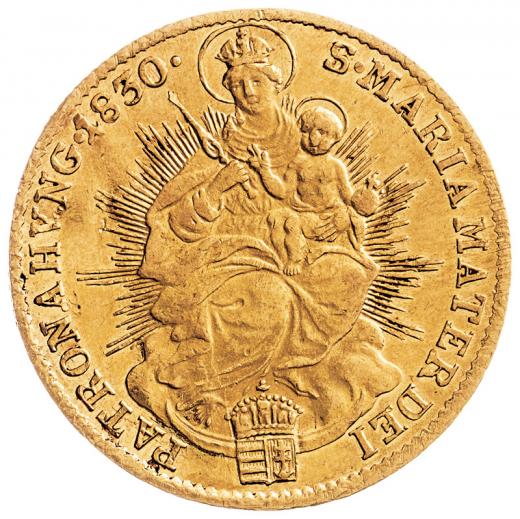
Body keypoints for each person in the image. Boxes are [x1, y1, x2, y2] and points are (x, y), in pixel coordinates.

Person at [248, 106, 380, 275]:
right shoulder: (296, 164)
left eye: (323, 132)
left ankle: (295, 259)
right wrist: (264, 171)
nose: (313, 138)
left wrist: (352, 213)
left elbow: (349, 197)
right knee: (276, 218)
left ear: (335, 139)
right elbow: (282, 192)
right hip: (305, 214)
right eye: (307, 131)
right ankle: (281, 261)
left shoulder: (336, 167)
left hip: (330, 217)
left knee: (291, 222)